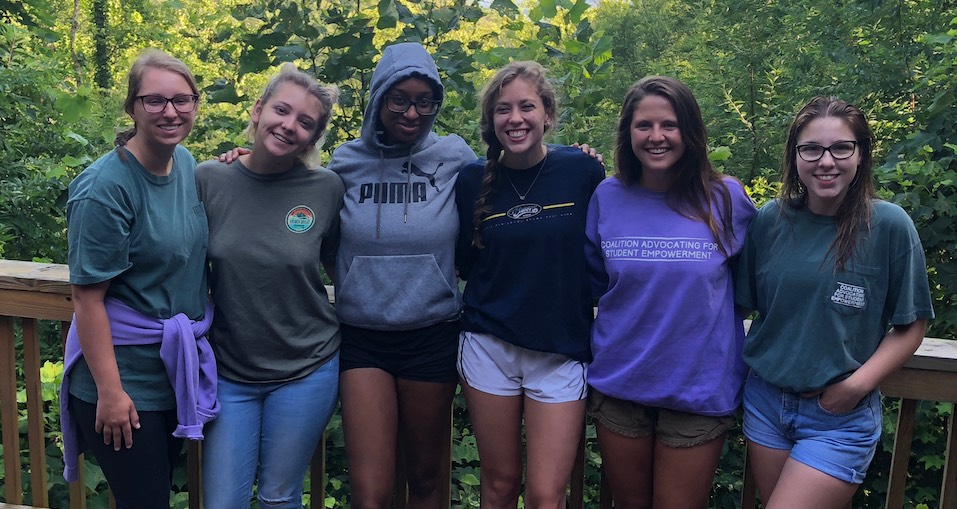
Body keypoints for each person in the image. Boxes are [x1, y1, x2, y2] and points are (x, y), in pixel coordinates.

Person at [735, 96, 934, 508]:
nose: (826, 161)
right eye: (812, 149)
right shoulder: (770, 221)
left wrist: (854, 387)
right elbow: (740, 308)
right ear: (795, 157)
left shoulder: (889, 226)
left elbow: (911, 324)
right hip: (766, 402)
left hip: (839, 417)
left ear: (861, 154)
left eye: (841, 147)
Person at [583, 76, 756, 509]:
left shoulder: (726, 198)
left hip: (698, 389)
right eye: (643, 125)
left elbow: (758, 287)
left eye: (669, 125)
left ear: (690, 132)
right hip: (620, 383)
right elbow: (590, 283)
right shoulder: (607, 195)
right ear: (628, 132)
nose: (656, 137)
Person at [59, 49, 216, 509]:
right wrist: (110, 392)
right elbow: (86, 300)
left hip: (172, 375)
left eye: (182, 100)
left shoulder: (187, 165)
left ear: (194, 105)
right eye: (154, 101)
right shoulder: (104, 189)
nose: (170, 112)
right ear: (132, 107)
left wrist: (247, 161)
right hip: (124, 384)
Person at [326, 42, 477, 509]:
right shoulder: (346, 161)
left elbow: (512, 178)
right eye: (399, 99)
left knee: (427, 477)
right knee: (370, 492)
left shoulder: (455, 156)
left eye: (424, 100)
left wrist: (574, 158)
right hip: (362, 336)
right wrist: (239, 162)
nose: (412, 112)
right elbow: (313, 226)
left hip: (431, 333)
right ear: (378, 100)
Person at [455, 61, 605, 509]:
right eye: (503, 109)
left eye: (526, 106)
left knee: (545, 495)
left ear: (547, 115)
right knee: (499, 485)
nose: (515, 118)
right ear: (491, 121)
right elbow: (465, 263)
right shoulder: (469, 181)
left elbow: (607, 243)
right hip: (488, 346)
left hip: (560, 349)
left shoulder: (582, 170)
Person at [195, 64, 342, 509]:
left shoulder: (326, 188)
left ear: (313, 139)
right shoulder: (208, 179)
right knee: (223, 503)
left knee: (280, 497)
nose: (289, 125)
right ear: (258, 110)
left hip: (307, 366)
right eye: (281, 110)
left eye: (305, 123)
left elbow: (341, 266)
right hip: (228, 371)